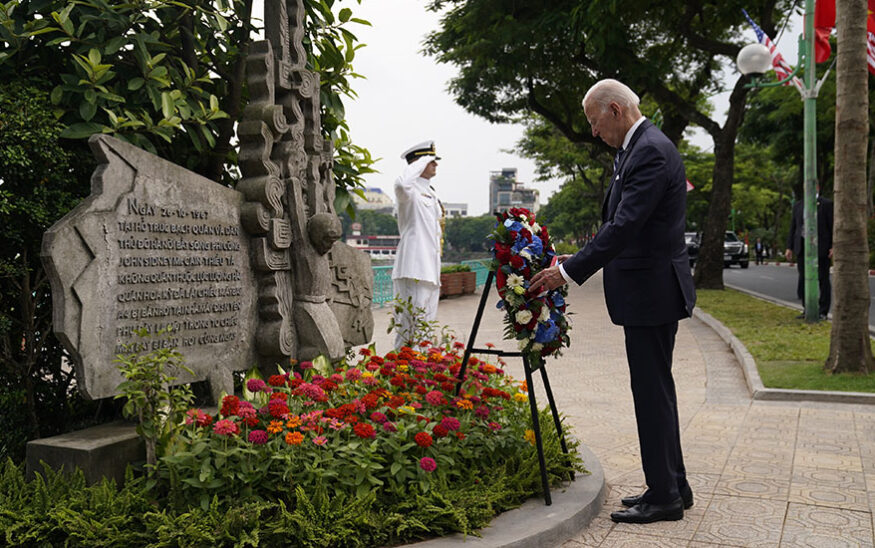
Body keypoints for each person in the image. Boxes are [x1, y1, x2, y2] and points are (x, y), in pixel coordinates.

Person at [527, 79, 696, 524]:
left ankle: (664, 497)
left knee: (651, 393)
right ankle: (673, 484)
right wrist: (574, 258)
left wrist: (565, 273)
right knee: (657, 391)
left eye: (594, 121)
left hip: (652, 292)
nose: (594, 131)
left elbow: (623, 227)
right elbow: (617, 227)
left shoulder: (650, 152)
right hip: (649, 291)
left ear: (616, 110)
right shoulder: (636, 150)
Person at [391, 140, 443, 348]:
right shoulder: (409, 192)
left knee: (426, 329)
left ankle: (422, 373)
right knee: (408, 326)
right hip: (413, 267)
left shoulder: (431, 193)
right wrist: (419, 163)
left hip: (430, 268)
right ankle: (399, 371)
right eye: (431, 161)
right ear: (419, 163)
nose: (435, 165)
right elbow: (402, 184)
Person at [784, 192, 834, 319]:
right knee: (803, 279)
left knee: (823, 279)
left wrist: (834, 246)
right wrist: (789, 247)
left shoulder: (826, 204)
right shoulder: (798, 205)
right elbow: (794, 227)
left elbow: (833, 226)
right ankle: (808, 309)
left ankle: (823, 311)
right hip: (802, 247)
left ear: (816, 187)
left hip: (821, 248)